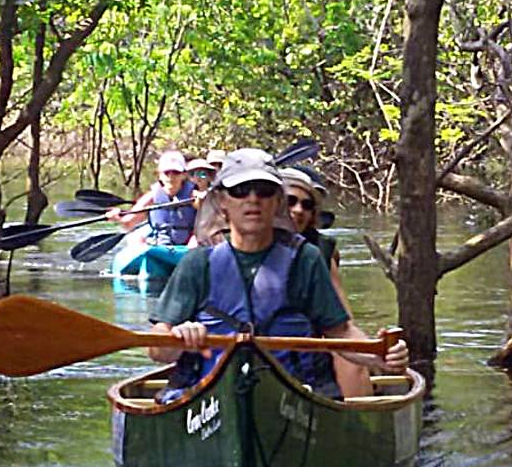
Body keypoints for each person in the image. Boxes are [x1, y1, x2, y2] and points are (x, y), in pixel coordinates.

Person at [147, 148, 408, 400]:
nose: (253, 199)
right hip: (210, 394)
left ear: (276, 201)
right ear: (223, 201)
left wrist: (378, 355)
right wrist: (179, 338)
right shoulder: (196, 264)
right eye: (240, 191)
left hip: (296, 392)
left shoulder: (306, 259)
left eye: (264, 190)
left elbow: (341, 333)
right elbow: (158, 350)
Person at [281, 166, 351, 316]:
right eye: (290, 201)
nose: (299, 210)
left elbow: (343, 314)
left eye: (307, 205)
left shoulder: (321, 250)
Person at [106, 150, 196, 245]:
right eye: (166, 173)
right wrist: (117, 218)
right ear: (160, 175)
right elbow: (129, 223)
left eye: (176, 172)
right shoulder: (152, 197)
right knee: (134, 238)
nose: (171, 177)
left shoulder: (194, 195)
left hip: (188, 246)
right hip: (160, 244)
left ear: (184, 175)